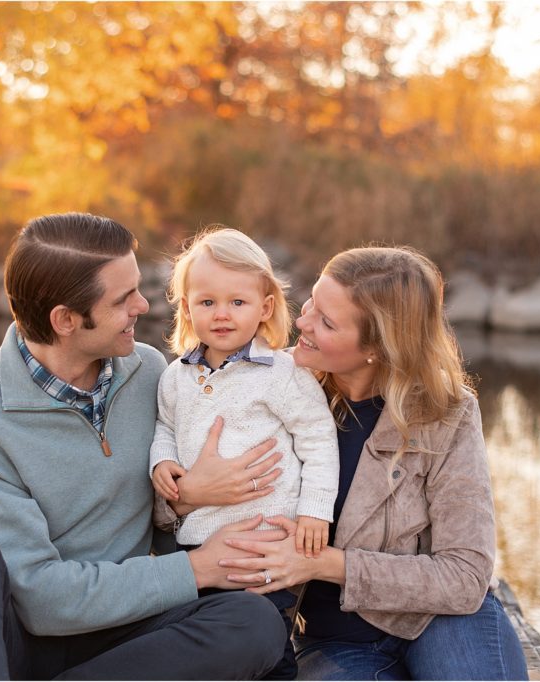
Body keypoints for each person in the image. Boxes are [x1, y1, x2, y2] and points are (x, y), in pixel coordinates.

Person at [0, 212, 290, 681]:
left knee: (254, 624)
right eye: (123, 299)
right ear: (65, 320)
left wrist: (189, 500)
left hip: (123, 637)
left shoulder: (149, 372)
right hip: (10, 640)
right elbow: (40, 599)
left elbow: (168, 528)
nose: (144, 307)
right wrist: (198, 569)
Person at [157, 246, 530, 681]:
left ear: (378, 347)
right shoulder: (270, 382)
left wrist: (324, 564)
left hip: (438, 618)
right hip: (335, 639)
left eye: (327, 323)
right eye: (313, 302)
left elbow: (465, 576)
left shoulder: (447, 412)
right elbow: (160, 504)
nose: (302, 323)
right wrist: (187, 497)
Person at [149, 228, 340, 679]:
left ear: (265, 307)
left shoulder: (283, 372)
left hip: (268, 540)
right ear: (186, 307)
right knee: (211, 646)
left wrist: (315, 512)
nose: (222, 314)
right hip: (196, 540)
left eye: (238, 302)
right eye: (207, 302)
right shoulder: (175, 377)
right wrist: (162, 461)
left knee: (267, 641)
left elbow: (318, 439)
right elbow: (165, 427)